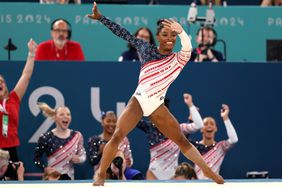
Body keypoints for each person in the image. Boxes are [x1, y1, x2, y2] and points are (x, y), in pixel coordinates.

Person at [87, 2, 224, 186]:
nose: (170, 38)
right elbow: (123, 33)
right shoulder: (146, 49)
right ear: (157, 36)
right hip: (138, 100)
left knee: (182, 141)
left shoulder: (178, 58)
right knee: (118, 135)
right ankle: (101, 174)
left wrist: (181, 31)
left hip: (157, 105)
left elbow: (187, 46)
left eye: (173, 35)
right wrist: (101, 18)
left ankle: (208, 171)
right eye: (165, 34)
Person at [136, 93, 204, 180]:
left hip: (173, 175)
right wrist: (135, 103)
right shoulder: (149, 127)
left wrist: (190, 104)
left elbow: (199, 125)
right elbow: (126, 118)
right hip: (153, 173)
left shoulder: (179, 130)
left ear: (167, 114)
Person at [0, 39, 37, 162]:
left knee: (15, 179)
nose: (0, 83)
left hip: (11, 149)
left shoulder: (14, 98)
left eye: (2, 81)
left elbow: (26, 75)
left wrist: (31, 54)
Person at [34, 103, 86, 180]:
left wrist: (78, 159)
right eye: (61, 114)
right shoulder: (46, 137)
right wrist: (45, 168)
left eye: (68, 114)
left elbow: (83, 155)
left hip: (69, 181)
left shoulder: (77, 136)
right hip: (52, 180)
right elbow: (37, 158)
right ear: (55, 117)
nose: (66, 117)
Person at [87, 111, 144, 180]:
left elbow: (130, 160)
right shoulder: (94, 140)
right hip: (103, 173)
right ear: (102, 122)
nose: (111, 124)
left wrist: (126, 161)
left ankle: (120, 174)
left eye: (114, 121)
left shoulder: (123, 139)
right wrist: (100, 152)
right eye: (108, 121)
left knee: (137, 175)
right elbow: (92, 161)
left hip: (122, 171)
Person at [190, 104, 238, 179]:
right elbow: (181, 137)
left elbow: (234, 140)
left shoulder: (220, 147)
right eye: (205, 124)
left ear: (216, 128)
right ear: (201, 129)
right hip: (197, 184)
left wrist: (225, 118)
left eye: (212, 124)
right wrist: (190, 120)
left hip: (214, 184)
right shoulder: (194, 146)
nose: (209, 126)